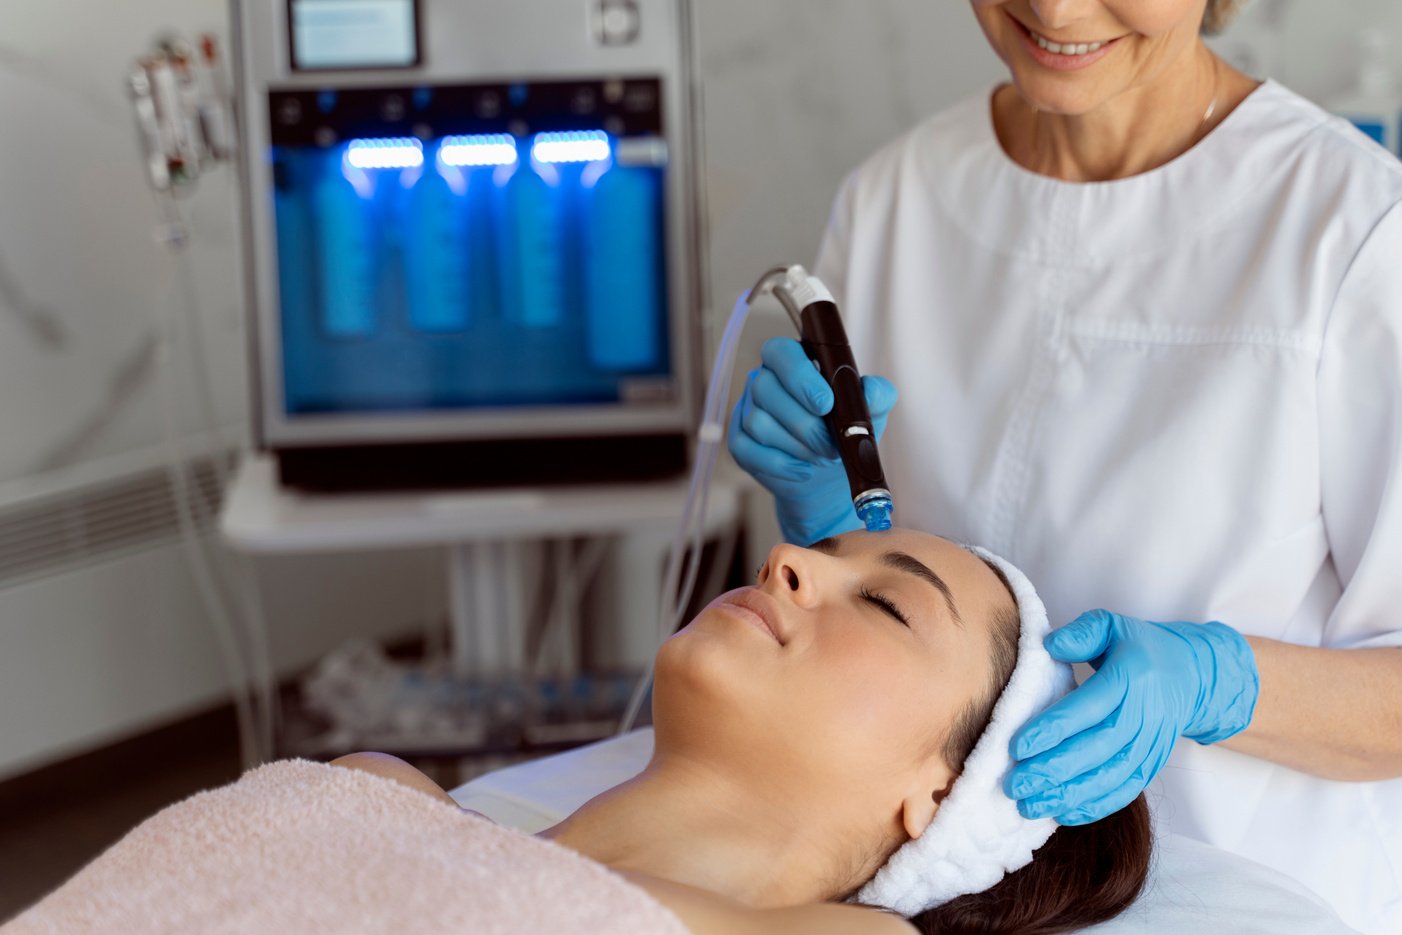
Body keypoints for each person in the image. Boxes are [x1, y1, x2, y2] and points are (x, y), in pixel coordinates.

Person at [726, 2, 1402, 932]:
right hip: (925, 904)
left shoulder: (1353, 230)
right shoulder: (896, 198)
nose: (1056, 9)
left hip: (1249, 898)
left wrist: (1221, 682)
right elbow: (877, 571)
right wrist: (821, 517)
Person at [336, 529, 1152, 934]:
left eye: (885, 603)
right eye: (821, 547)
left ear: (940, 794)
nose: (785, 555)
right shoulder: (376, 796)